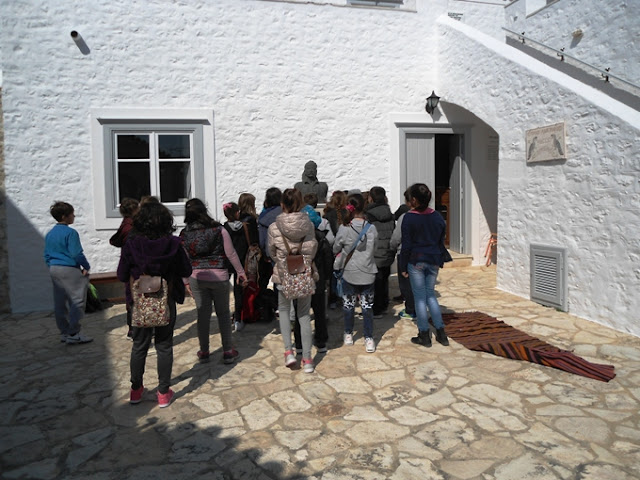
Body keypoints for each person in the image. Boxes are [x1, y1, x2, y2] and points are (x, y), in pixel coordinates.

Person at [117, 201, 192, 407]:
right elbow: (186, 270)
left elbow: (122, 274)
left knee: (139, 345)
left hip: (139, 301)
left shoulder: (131, 244)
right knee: (164, 345)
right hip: (165, 299)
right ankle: (163, 393)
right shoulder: (173, 244)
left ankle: (136, 390)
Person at [180, 198, 247, 364]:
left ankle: (204, 351)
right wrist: (240, 272)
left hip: (196, 277)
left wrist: (185, 281)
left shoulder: (184, 234)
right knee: (223, 314)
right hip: (219, 276)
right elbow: (231, 253)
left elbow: (183, 260)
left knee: (202, 314)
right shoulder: (218, 229)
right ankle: (228, 351)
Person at [268, 188, 318, 373]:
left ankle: (289, 352)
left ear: (282, 204)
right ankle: (307, 359)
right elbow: (312, 249)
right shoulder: (309, 225)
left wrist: (283, 261)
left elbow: (272, 252)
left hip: (284, 274)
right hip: (303, 273)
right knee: (304, 315)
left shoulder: (274, 227)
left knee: (283, 310)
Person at [399, 183, 451, 348]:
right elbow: (441, 239)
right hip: (433, 260)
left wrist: (402, 266)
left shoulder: (409, 218)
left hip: (416, 261)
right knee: (430, 296)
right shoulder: (437, 216)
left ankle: (424, 334)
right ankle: (441, 333)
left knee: (420, 298)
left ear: (413, 200)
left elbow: (406, 245)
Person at [333, 193, 378, 353]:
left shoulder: (344, 228)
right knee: (367, 306)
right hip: (368, 270)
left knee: (348, 305)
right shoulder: (371, 228)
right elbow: (374, 248)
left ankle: (348, 333)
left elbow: (336, 247)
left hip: (350, 271)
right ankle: (369, 338)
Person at [44, 201, 93, 344]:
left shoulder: (50, 234)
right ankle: (74, 332)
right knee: (77, 300)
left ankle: (64, 332)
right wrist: (86, 266)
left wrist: (52, 265)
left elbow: (46, 254)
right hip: (69, 268)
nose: (74, 216)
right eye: (72, 214)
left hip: (54, 268)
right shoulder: (71, 233)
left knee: (60, 302)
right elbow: (76, 253)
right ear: (64, 216)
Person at [293, 192, 334, 354]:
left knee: (300, 311)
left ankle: (299, 344)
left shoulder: (295, 238)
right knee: (319, 311)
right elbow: (327, 258)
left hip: (300, 276)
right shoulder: (320, 237)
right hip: (318, 278)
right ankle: (321, 341)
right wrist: (327, 277)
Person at [223, 199, 259, 331]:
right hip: (242, 262)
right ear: (237, 213)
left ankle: (225, 316)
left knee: (223, 292)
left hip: (226, 262)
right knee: (239, 292)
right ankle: (238, 318)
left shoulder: (224, 228)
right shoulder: (245, 226)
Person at [109, 197, 140, 340]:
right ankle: (133, 330)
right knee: (133, 297)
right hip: (133, 267)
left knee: (132, 296)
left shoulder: (127, 224)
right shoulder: (130, 228)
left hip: (131, 266)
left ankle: (135, 328)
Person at [364, 186, 395, 318]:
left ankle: (376, 309)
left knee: (375, 281)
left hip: (375, 251)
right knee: (384, 279)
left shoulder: (368, 214)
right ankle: (384, 305)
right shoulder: (389, 212)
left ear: (371, 198)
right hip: (387, 250)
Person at [257, 187, 282, 321]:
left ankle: (278, 305)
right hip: (286, 250)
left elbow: (262, 239)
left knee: (276, 278)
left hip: (271, 251)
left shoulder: (263, 216)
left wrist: (264, 252)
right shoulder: (285, 213)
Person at [389, 189, 416, 319]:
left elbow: (396, 237)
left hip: (405, 253)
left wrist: (392, 247)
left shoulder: (405, 217)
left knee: (406, 284)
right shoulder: (430, 215)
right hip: (423, 254)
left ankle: (411, 310)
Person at [323, 190, 348, 308]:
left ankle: (333, 299)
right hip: (346, 248)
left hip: (333, 249)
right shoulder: (348, 214)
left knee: (333, 275)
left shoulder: (328, 214)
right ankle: (344, 297)